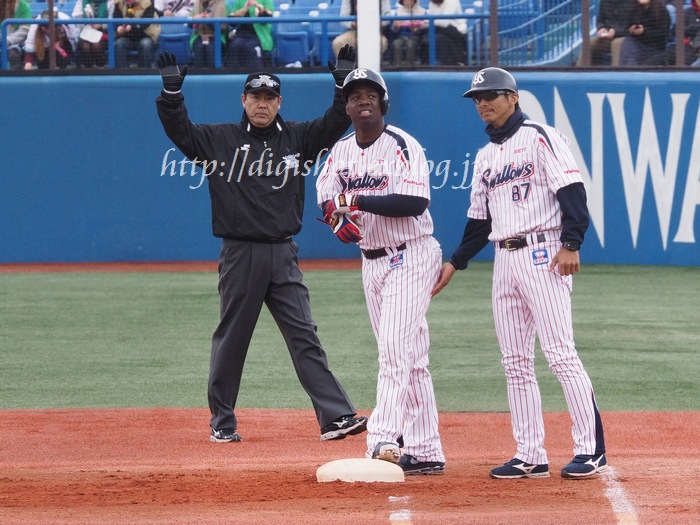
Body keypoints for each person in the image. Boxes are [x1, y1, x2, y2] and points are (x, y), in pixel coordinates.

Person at [155, 45, 368, 443]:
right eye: (255, 96)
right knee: (232, 340)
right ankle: (222, 422)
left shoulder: (299, 138)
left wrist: (342, 85)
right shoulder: (220, 140)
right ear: (244, 100)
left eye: (270, 97)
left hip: (284, 253)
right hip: (240, 254)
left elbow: (335, 121)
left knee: (304, 335)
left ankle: (336, 417)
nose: (262, 104)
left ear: (279, 102)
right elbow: (180, 132)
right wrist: (171, 96)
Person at [432, 67, 608, 480]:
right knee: (514, 361)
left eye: (491, 94)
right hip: (504, 258)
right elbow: (479, 221)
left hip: (543, 252)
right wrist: (456, 261)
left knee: (560, 354)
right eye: (476, 98)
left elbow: (571, 191)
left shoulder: (541, 136)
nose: (482, 103)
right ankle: (531, 453)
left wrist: (571, 243)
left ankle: (590, 448)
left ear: (513, 97)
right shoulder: (486, 156)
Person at [316, 68, 445, 475]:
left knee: (393, 349)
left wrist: (356, 199)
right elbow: (325, 198)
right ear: (348, 107)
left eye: (371, 94)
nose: (363, 100)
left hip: (411, 252)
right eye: (355, 96)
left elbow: (415, 202)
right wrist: (336, 219)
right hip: (371, 260)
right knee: (412, 358)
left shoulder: (403, 144)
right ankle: (426, 450)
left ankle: (383, 437)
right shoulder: (340, 152)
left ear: (383, 103)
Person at [576, 0, 636, 66]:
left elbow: (633, 25)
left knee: (616, 43)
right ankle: (580, 71)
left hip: (629, 37)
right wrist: (601, 28)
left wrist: (615, 31)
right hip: (609, 36)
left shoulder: (633, 2)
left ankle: (615, 73)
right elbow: (600, 20)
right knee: (588, 42)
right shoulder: (604, 1)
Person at [224, 0, 273, 69]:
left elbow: (268, 19)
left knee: (251, 47)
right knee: (235, 45)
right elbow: (232, 22)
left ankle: (255, 76)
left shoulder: (266, 1)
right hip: (241, 35)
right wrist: (237, 14)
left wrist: (259, 8)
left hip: (258, 36)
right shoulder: (239, 1)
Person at [619, 0, 670, 65]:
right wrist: (631, 31)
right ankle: (629, 72)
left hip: (655, 48)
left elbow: (663, 35)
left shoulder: (662, 11)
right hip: (637, 45)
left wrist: (644, 31)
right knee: (627, 42)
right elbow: (625, 29)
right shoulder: (634, 9)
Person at [113, 0, 160, 68]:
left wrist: (132, 26)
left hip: (145, 35)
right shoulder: (119, 3)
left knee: (145, 44)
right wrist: (118, 28)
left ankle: (144, 73)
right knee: (120, 43)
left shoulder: (148, 3)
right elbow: (116, 19)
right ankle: (123, 74)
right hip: (127, 37)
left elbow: (145, 24)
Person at [420, 0, 466, 66]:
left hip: (456, 31)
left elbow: (445, 23)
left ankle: (454, 62)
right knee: (425, 37)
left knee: (438, 39)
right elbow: (432, 19)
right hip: (438, 29)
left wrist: (428, 22)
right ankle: (425, 64)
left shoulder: (452, 1)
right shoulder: (432, 2)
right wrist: (425, 23)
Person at [72, 0, 112, 68]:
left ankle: (100, 65)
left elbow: (111, 19)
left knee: (96, 45)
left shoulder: (109, 2)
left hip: (102, 30)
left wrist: (101, 25)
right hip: (85, 30)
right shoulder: (81, 2)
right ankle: (88, 67)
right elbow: (77, 19)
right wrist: (88, 24)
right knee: (85, 46)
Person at [188, 0, 227, 68]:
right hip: (199, 35)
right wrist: (195, 19)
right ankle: (198, 76)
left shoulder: (222, 4)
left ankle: (215, 75)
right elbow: (189, 23)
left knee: (210, 48)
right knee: (199, 47)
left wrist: (208, 21)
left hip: (217, 36)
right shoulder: (197, 4)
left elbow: (223, 27)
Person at [390, 0, 427, 67]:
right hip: (402, 36)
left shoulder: (422, 11)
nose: (407, 2)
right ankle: (397, 67)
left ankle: (409, 67)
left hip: (415, 37)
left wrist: (416, 28)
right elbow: (393, 30)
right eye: (405, 0)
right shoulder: (398, 11)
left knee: (410, 44)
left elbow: (426, 26)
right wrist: (395, 26)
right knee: (396, 43)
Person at [665, 0, 700, 66]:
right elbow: (675, 31)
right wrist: (696, 26)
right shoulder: (687, 12)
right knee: (666, 55)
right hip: (685, 46)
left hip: (696, 49)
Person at [4, 0, 32, 70]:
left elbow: (25, 29)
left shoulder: (24, 6)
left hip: (17, 43)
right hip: (1, 40)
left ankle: (16, 78)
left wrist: (9, 40)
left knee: (14, 54)